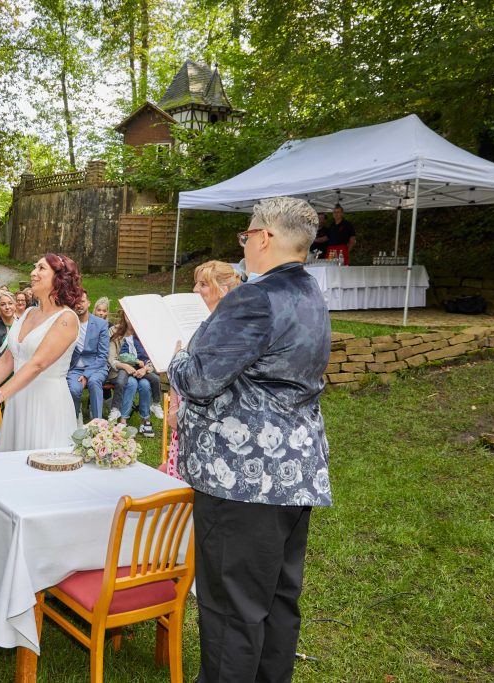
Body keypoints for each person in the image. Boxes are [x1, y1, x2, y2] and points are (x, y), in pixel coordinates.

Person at [168, 196, 332, 683]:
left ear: (264, 237)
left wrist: (176, 357)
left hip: (242, 476)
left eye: (246, 236)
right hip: (294, 470)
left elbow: (199, 379)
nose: (244, 246)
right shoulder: (311, 292)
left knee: (230, 608)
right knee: (278, 599)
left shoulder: (254, 297)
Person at [0, 254, 82, 451]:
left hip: (46, 403)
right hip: (18, 399)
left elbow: (37, 364)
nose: (33, 273)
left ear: (59, 278)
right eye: (34, 267)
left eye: (41, 268)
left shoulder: (66, 318)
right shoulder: (28, 313)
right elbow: (8, 360)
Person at [164, 261, 242, 480]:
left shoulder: (230, 330)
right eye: (196, 284)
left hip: (212, 421)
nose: (195, 290)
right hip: (184, 412)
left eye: (203, 284)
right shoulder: (191, 323)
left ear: (223, 290)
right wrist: (174, 409)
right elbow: (177, 368)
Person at [66, 289, 109, 420]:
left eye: (82, 301)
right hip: (75, 368)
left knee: (94, 382)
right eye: (76, 302)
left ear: (89, 303)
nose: (79, 305)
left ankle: (97, 421)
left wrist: (87, 375)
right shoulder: (68, 323)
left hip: (96, 367)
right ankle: (75, 417)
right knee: (74, 389)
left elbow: (103, 355)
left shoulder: (101, 324)